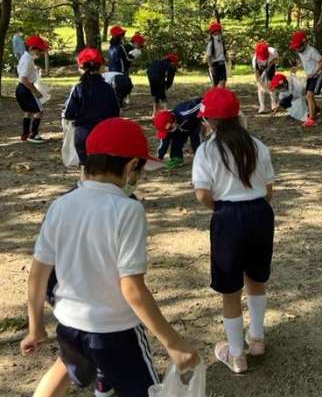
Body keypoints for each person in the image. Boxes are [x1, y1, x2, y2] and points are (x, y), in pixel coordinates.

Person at [20, 117, 198, 397]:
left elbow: (37, 274)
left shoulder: (61, 205)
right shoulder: (127, 210)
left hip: (70, 324)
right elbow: (132, 287)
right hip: (116, 331)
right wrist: (172, 342)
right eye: (140, 170)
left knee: (64, 366)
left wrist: (35, 327)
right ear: (131, 166)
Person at [192, 88, 275, 374]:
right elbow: (269, 189)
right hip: (260, 213)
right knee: (256, 277)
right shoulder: (257, 146)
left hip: (227, 216)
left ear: (209, 121)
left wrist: (220, 208)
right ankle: (258, 338)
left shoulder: (206, 151)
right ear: (238, 116)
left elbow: (202, 194)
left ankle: (237, 354)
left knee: (230, 288)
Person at [64, 48, 120, 166]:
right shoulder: (108, 88)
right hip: (104, 133)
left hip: (83, 134)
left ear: (81, 68)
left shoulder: (78, 88)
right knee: (102, 167)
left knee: (85, 166)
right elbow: (116, 112)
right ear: (101, 67)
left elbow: (69, 114)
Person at [15, 35, 49, 143]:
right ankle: (33, 135)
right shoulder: (27, 60)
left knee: (28, 111)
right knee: (39, 110)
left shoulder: (27, 57)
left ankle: (25, 134)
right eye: (39, 50)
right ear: (31, 48)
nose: (41, 52)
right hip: (26, 88)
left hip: (22, 88)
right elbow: (24, 79)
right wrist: (35, 91)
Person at [154, 97, 202, 169]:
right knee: (177, 138)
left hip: (196, 123)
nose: (168, 132)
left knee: (196, 141)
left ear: (173, 122)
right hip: (181, 127)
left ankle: (202, 158)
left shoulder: (186, 111)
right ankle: (176, 158)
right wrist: (159, 157)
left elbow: (202, 103)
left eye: (169, 129)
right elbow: (164, 141)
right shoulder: (166, 127)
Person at [289, 31, 322, 126]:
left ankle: (312, 119)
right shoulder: (301, 52)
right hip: (309, 76)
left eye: (299, 47)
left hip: (317, 76)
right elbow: (305, 63)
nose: (297, 49)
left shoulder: (312, 51)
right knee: (307, 95)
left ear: (305, 43)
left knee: (309, 96)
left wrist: (314, 72)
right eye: (296, 48)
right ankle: (315, 109)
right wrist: (297, 68)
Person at [252, 41, 278, 114]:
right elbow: (256, 72)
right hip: (260, 69)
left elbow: (276, 59)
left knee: (271, 85)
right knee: (260, 88)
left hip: (271, 67)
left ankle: (273, 105)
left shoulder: (273, 51)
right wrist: (260, 83)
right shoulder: (255, 59)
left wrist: (270, 64)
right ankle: (262, 107)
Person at [206, 21, 228, 87]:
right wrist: (210, 67)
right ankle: (214, 93)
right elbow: (208, 56)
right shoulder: (211, 43)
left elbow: (224, 53)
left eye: (219, 31)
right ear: (213, 33)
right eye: (216, 31)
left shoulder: (221, 42)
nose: (218, 33)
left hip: (222, 64)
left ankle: (220, 93)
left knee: (223, 82)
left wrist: (227, 58)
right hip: (215, 65)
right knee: (216, 84)